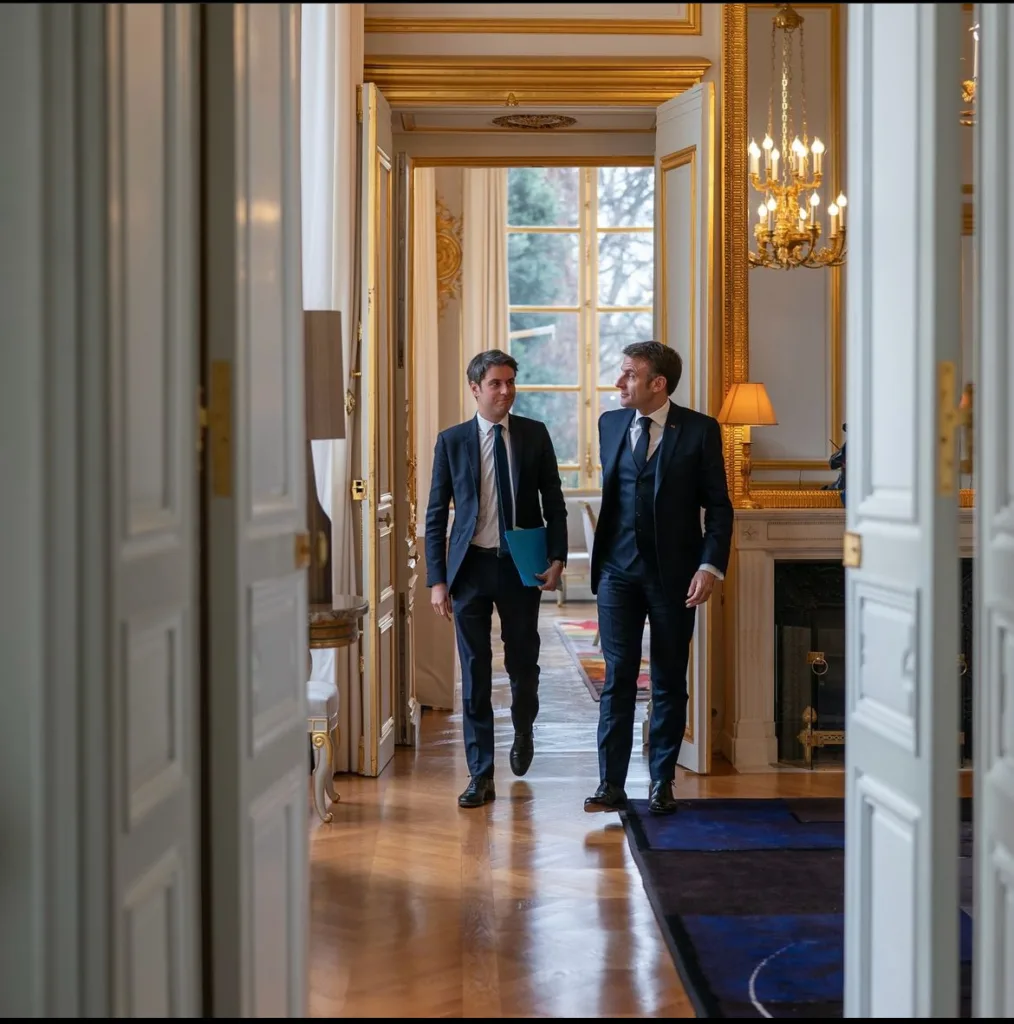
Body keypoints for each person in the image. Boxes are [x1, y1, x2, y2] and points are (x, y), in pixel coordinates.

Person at [585, 341, 733, 816]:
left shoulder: (700, 430)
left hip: (675, 577)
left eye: (629, 374)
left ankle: (661, 781)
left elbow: (720, 508)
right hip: (617, 575)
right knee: (618, 679)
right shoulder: (610, 424)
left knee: (669, 680)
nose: (619, 382)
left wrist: (710, 566)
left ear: (657, 384)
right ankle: (610, 784)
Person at [425, 349, 568, 808]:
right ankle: (480, 774)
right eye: (495, 384)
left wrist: (558, 557)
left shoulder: (533, 434)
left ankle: (524, 728)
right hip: (469, 568)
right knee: (475, 671)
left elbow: (555, 501)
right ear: (475, 389)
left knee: (524, 664)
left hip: (521, 566)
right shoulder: (452, 441)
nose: (506, 391)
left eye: (510, 382)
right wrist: (437, 580)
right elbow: (435, 516)